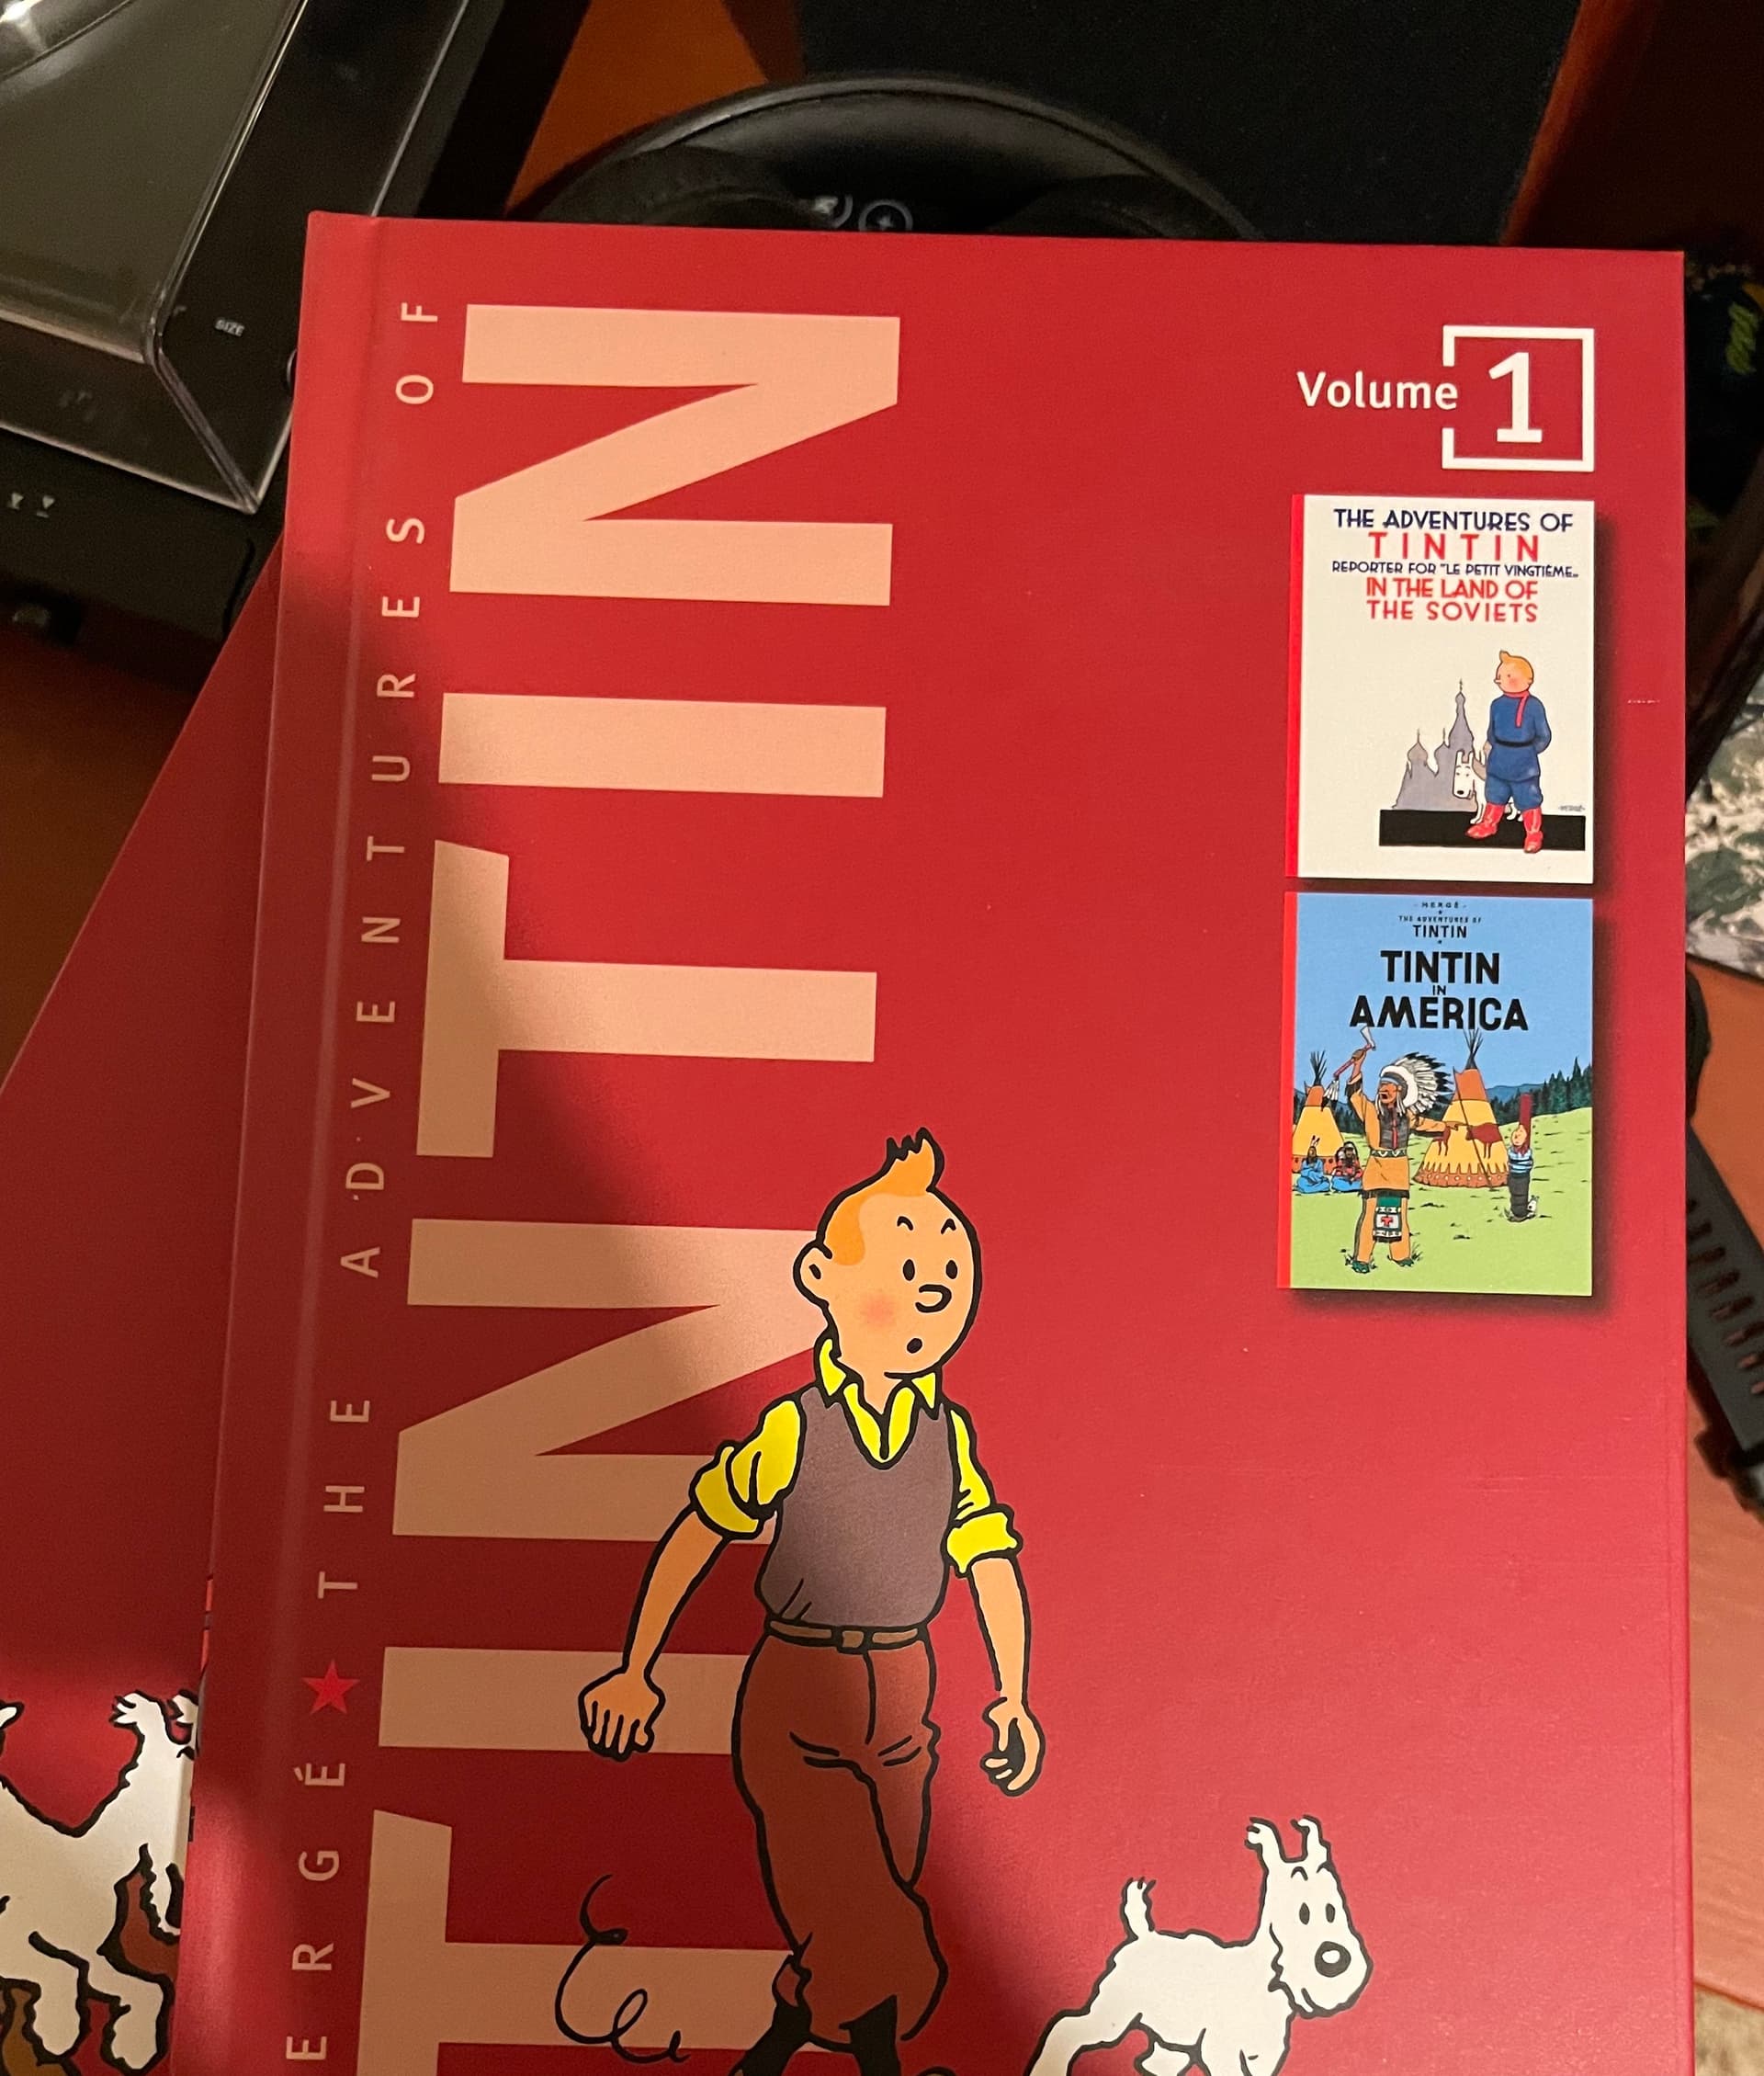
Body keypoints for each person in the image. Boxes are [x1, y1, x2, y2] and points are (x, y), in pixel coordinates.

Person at [578, 1133, 1042, 2076]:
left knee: (867, 1898)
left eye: (950, 1274)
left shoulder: (949, 1434)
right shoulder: (795, 1427)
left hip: (905, 1690)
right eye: (908, 1269)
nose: (933, 1291)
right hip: (800, 1690)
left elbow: (988, 1556)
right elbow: (703, 1527)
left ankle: (780, 2043)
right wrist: (635, 1668)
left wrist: (1014, 1694)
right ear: (821, 1277)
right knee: (869, 1911)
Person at [1343, 1044, 1450, 1272]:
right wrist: (1358, 1065)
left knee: (1399, 1214)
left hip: (1399, 1172)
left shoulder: (1408, 1116)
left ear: (1399, 1090)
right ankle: (1362, 1259)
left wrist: (1449, 1128)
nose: (1383, 1090)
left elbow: (1426, 1124)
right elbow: (1355, 1095)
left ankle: (1401, 1255)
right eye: (1381, 1086)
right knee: (1370, 1214)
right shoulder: (1370, 1111)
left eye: (1388, 1086)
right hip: (1376, 1170)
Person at [1465, 650, 1552, 854]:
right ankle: (1489, 824)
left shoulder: (1534, 706)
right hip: (1499, 759)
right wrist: (1496, 747)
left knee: (1529, 798)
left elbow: (1544, 736)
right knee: (1495, 794)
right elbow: (1492, 731)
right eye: (1500, 676)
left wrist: (1527, 752)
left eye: (1507, 675)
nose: (1500, 680)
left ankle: (1533, 833)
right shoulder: (1497, 705)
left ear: (1527, 679)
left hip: (1524, 764)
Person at [1506, 1094, 1536, 1221]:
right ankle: (1518, 1212)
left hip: (1519, 1176)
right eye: (1516, 1132)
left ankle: (1520, 1213)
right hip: (1516, 1175)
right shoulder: (1514, 1151)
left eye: (1520, 1133)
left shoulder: (1523, 1151)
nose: (1516, 1134)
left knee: (1519, 1195)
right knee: (1516, 1194)